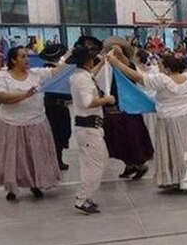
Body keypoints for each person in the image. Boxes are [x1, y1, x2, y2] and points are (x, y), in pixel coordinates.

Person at [108, 49, 187, 195]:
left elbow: (138, 77)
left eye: (161, 64)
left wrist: (116, 63)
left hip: (171, 119)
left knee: (179, 149)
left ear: (167, 68)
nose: (159, 66)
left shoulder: (162, 79)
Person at [0, 46, 67, 201]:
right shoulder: (1, 76)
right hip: (11, 123)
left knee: (36, 154)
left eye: (27, 56)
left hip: (36, 121)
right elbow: (1, 97)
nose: (27, 59)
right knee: (13, 157)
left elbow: (59, 70)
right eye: (23, 56)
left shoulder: (37, 74)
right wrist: (26, 94)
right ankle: (12, 188)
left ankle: (35, 184)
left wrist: (73, 54)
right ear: (13, 60)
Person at [68, 46, 116, 214]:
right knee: (94, 165)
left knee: (98, 161)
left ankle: (85, 196)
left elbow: (91, 75)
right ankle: (82, 198)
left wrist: (103, 62)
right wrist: (106, 100)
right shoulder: (83, 80)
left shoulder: (80, 76)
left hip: (89, 127)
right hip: (89, 127)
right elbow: (88, 101)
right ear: (88, 61)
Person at [102, 37, 154, 180]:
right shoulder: (107, 66)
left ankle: (140, 165)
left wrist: (119, 57)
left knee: (132, 137)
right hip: (113, 106)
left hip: (128, 106)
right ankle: (129, 164)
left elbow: (130, 72)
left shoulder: (128, 65)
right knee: (119, 138)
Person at [39, 43, 72, 171]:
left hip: (60, 105)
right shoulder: (48, 69)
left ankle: (58, 158)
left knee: (63, 132)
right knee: (56, 134)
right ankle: (56, 160)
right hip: (53, 105)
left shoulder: (56, 67)